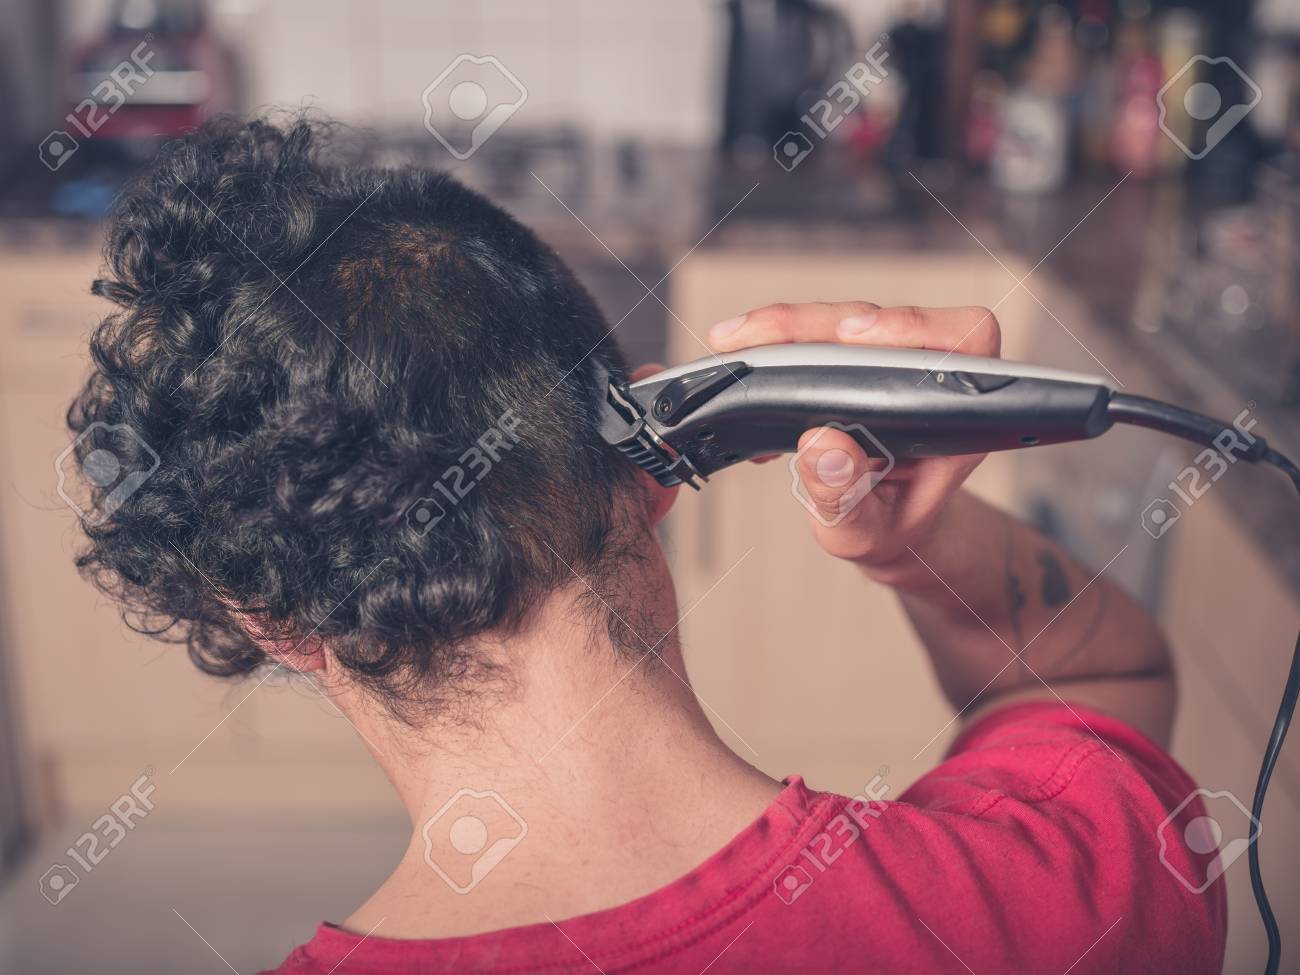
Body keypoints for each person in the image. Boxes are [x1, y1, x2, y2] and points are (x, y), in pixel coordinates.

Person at [68, 116, 1224, 974]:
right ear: (657, 463)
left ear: (274, 624)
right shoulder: (1057, 901)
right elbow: (1101, 679)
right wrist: (905, 538)